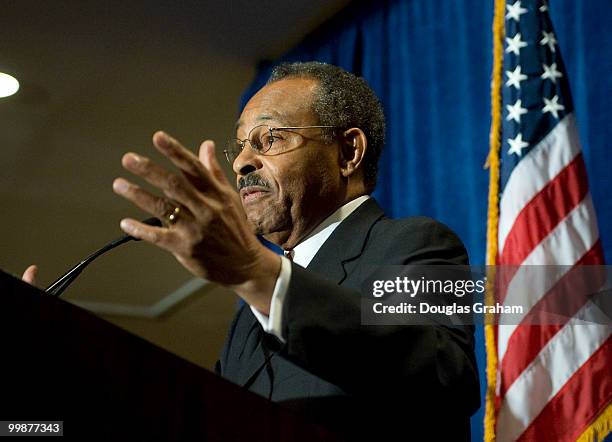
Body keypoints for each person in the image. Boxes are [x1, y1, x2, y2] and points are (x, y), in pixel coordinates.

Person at [24, 62, 480, 440]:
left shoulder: (415, 242)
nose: (242, 163)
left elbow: (444, 378)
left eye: (270, 139)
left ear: (348, 151)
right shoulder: (250, 316)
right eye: (240, 146)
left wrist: (256, 274)